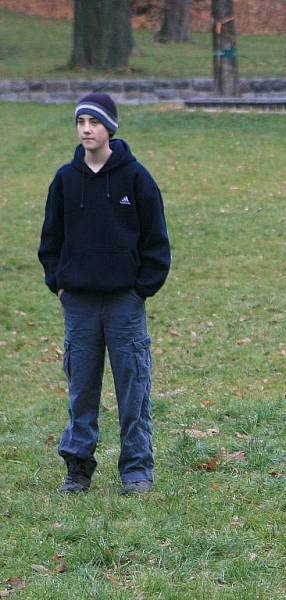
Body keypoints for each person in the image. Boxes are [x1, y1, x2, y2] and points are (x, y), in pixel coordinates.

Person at [38, 93, 171, 495]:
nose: (86, 129)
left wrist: (140, 289)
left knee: (133, 384)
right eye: (80, 122)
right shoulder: (65, 179)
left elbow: (156, 240)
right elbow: (51, 239)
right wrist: (59, 282)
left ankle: (136, 469)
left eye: (93, 122)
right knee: (81, 387)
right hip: (78, 301)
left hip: (123, 302)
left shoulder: (136, 178)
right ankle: (78, 468)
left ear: (109, 127)